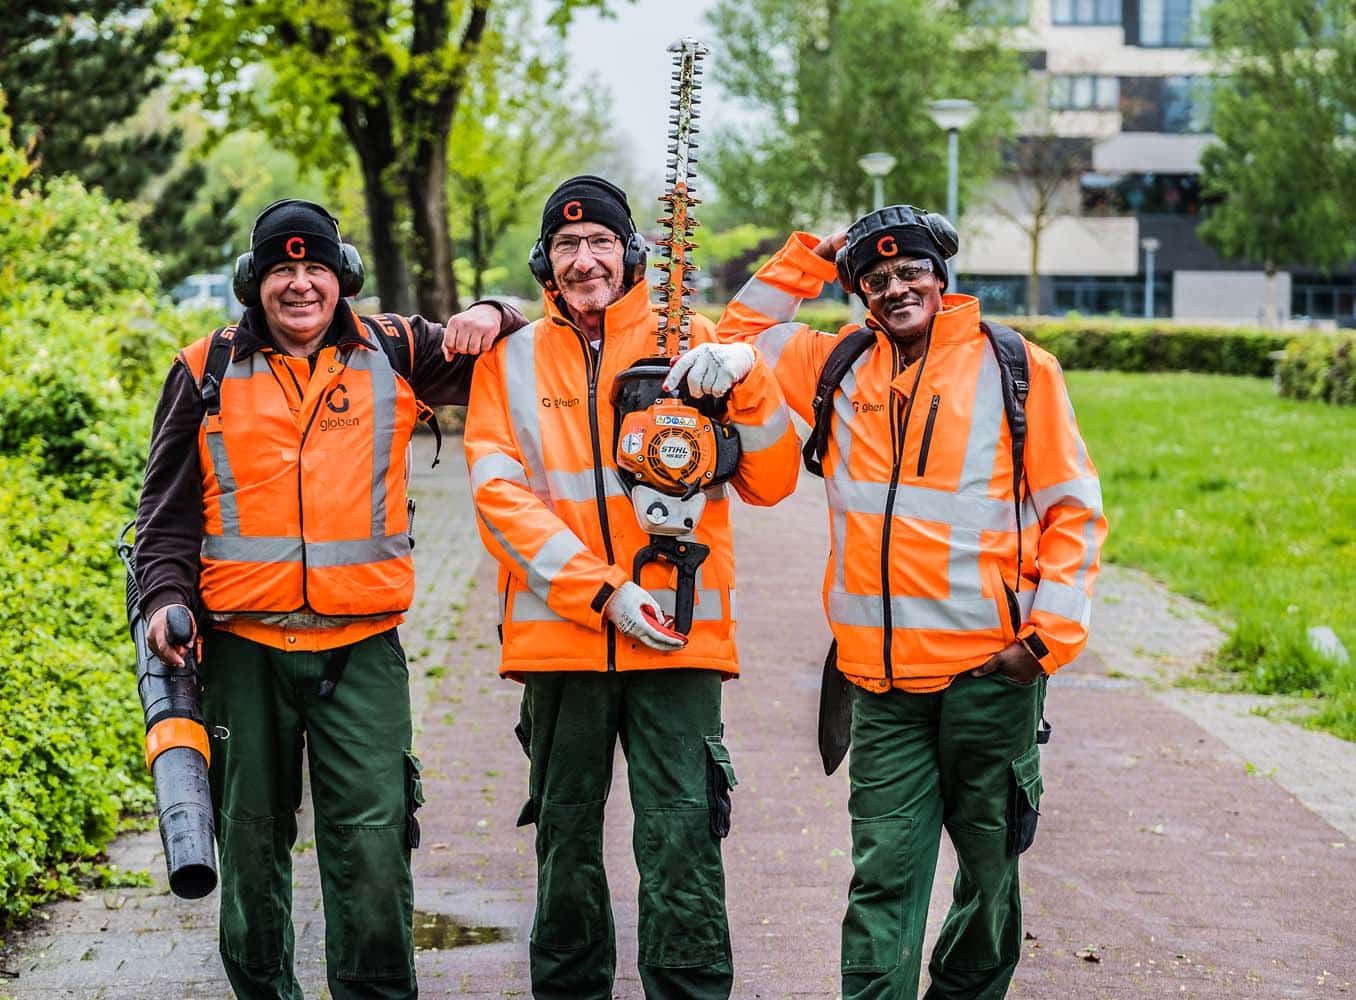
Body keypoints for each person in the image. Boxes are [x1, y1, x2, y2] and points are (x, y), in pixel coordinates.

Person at [133, 198, 526, 1000]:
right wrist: (165, 599)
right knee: (248, 848)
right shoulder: (203, 370)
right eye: (282, 268)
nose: (301, 284)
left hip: (362, 652)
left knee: (375, 847)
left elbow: (531, 351)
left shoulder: (393, 348)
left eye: (315, 268)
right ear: (254, 281)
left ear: (342, 277)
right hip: (242, 652)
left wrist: (494, 309)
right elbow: (162, 518)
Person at [715, 205, 1108, 1000]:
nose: (897, 288)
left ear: (941, 276)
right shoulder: (838, 364)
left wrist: (1044, 641)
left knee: (991, 876)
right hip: (879, 688)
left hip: (990, 679)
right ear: (859, 290)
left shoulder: (1017, 368)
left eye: (911, 272)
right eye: (878, 277)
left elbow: (1073, 511)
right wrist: (810, 255)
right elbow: (737, 334)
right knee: (884, 878)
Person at [461, 175, 801, 999]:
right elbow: (499, 497)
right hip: (563, 639)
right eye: (569, 246)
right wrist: (601, 587)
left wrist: (748, 378)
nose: (586, 261)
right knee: (566, 842)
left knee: (682, 839)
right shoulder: (507, 364)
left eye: (602, 243)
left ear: (632, 252)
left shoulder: (696, 340)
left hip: (681, 643)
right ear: (546, 261)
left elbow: (775, 479)